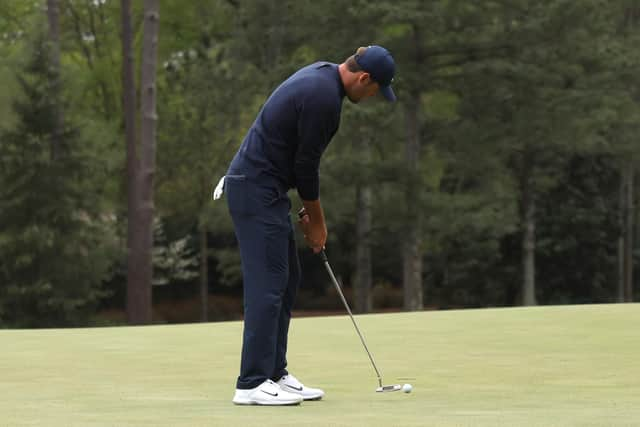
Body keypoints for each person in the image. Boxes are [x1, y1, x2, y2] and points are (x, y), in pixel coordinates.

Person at [213, 45, 396, 406]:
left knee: (286, 278)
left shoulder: (324, 76)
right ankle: (251, 382)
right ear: (364, 78)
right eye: (376, 90)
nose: (373, 96)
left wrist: (307, 211)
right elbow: (306, 168)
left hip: (266, 188)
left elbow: (294, 159)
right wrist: (318, 222)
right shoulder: (325, 99)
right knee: (267, 285)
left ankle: (274, 373)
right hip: (253, 189)